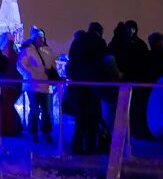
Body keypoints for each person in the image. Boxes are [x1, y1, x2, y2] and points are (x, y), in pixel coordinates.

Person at [66, 23, 107, 155]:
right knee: (93, 117)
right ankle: (89, 146)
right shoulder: (100, 43)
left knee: (80, 118)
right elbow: (102, 63)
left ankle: (77, 145)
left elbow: (70, 61)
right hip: (92, 85)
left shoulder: (77, 41)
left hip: (77, 85)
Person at [17, 26, 58, 144]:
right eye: (39, 37)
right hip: (33, 85)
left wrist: (53, 75)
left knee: (47, 111)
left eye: (42, 37)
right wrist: (31, 74)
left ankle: (46, 132)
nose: (41, 39)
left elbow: (53, 64)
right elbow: (20, 65)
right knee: (34, 110)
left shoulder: (48, 50)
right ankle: (33, 132)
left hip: (46, 85)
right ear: (34, 38)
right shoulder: (27, 50)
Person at [0, 31, 23, 137]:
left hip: (8, 83)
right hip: (12, 83)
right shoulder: (14, 51)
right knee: (7, 106)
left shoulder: (7, 52)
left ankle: (9, 129)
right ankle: (14, 127)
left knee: (6, 106)